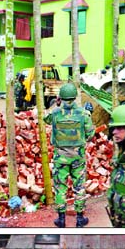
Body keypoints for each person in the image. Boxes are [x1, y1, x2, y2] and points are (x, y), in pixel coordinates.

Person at [44, 82, 94, 228]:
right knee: (79, 186)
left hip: (60, 156)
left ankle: (61, 219)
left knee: (60, 187)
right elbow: (90, 134)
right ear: (75, 96)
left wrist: (56, 105)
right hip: (78, 156)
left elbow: (45, 118)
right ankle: (79, 219)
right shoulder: (84, 114)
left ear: (61, 98)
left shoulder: (55, 113)